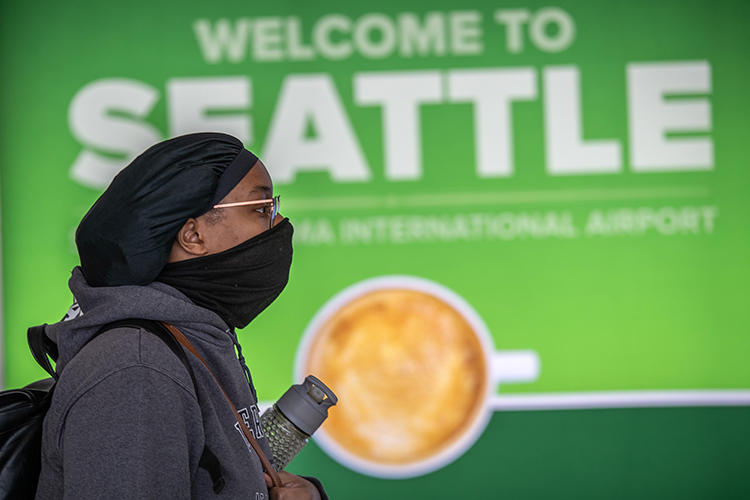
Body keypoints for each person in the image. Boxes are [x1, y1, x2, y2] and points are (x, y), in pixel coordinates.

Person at [35, 133, 325, 499]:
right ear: (193, 235)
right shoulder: (135, 370)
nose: (279, 220)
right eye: (262, 208)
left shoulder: (188, 339)